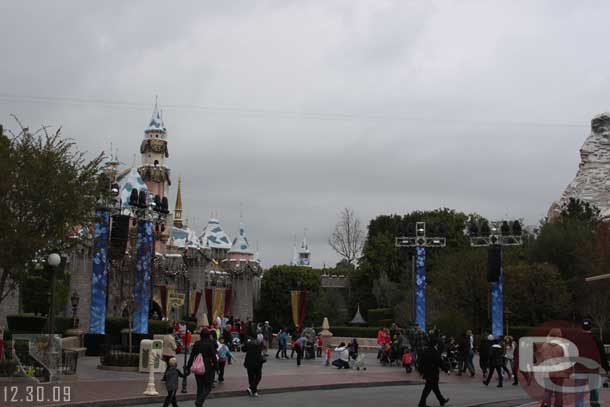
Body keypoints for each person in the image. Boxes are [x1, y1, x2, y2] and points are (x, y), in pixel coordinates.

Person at [575, 319, 609, 407]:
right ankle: (594, 404)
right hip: (593, 369)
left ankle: (579, 405)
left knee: (579, 392)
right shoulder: (596, 339)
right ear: (591, 327)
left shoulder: (576, 339)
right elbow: (602, 356)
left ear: (582, 327)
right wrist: (607, 369)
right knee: (594, 390)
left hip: (579, 369)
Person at [186, 328, 217, 407]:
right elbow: (214, 356)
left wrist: (188, 367)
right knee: (208, 386)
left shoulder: (197, 343)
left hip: (197, 366)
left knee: (200, 386)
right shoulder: (210, 343)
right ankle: (199, 401)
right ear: (208, 335)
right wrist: (217, 367)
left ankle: (199, 402)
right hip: (207, 366)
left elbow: (192, 356)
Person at [417, 338, 450, 407]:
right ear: (435, 344)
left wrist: (420, 371)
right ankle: (422, 403)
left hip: (427, 372)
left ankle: (441, 400)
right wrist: (446, 370)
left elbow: (421, 361)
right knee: (428, 388)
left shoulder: (425, 351)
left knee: (435, 387)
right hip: (433, 372)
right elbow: (439, 362)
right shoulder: (435, 352)